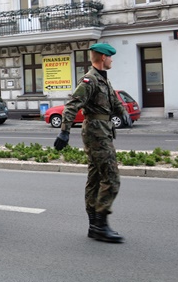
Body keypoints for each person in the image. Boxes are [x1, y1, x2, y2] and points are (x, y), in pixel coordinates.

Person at [53, 43, 132, 244]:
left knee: (96, 177)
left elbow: (113, 101)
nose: (112, 60)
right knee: (111, 177)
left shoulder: (103, 79)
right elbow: (72, 105)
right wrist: (64, 131)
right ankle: (100, 224)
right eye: (110, 57)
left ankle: (94, 225)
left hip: (103, 130)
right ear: (103, 57)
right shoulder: (90, 80)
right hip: (96, 132)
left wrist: (124, 113)